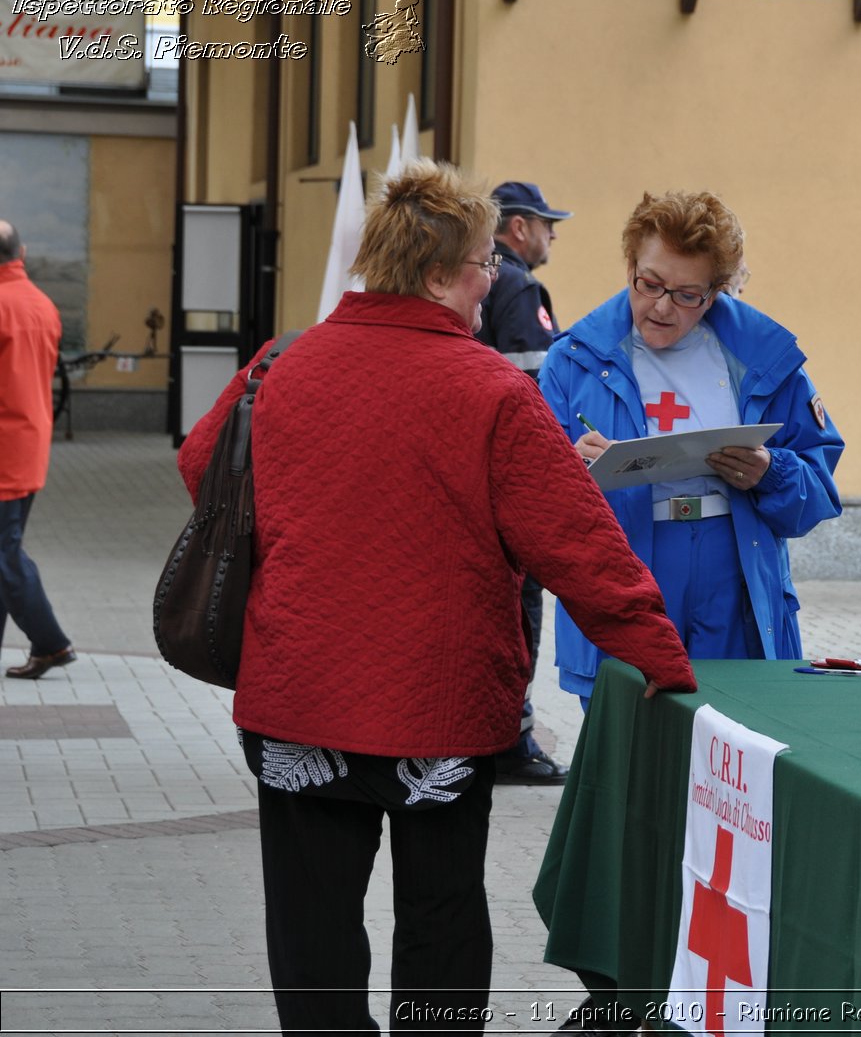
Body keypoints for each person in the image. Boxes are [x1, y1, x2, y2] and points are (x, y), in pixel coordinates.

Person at [177, 160, 696, 1035]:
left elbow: (203, 468)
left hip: (299, 695)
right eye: (483, 264)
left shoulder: (280, 364)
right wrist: (655, 652)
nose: (493, 278)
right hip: (438, 706)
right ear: (433, 275)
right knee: (441, 918)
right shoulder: (492, 390)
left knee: (311, 923)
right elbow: (577, 545)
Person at [540, 190, 844, 710]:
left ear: (717, 292)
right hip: (630, 573)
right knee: (635, 752)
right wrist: (570, 469)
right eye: (650, 283)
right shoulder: (573, 362)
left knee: (731, 750)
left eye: (687, 295)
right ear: (630, 264)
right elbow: (530, 498)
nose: (661, 307)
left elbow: (819, 490)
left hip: (734, 574)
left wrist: (771, 472)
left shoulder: (765, 360)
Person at [478, 180, 575, 786]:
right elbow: (536, 395)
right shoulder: (517, 287)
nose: (552, 235)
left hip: (468, 475)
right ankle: (512, 740)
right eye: (546, 224)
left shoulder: (475, 278)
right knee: (519, 608)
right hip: (510, 480)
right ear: (518, 227)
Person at [0, 220, 75, 681]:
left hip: (4, 449)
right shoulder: (42, 304)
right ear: (21, 251)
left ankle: (50, 642)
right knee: (4, 550)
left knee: (5, 555)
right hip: (28, 446)